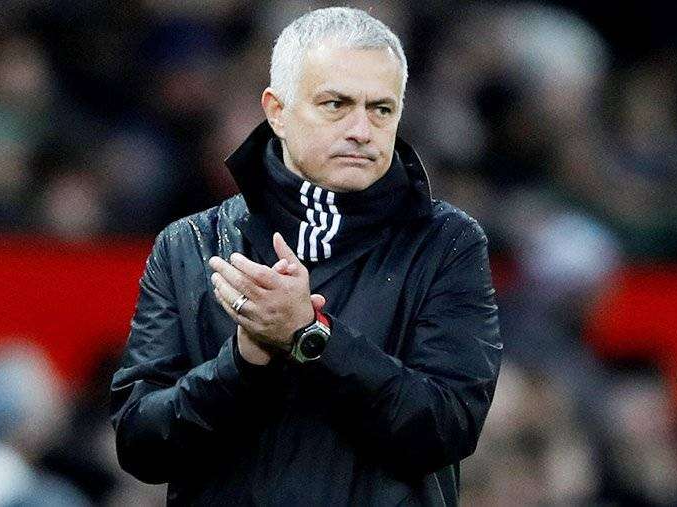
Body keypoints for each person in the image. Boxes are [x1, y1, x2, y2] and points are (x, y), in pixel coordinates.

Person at [110, 7, 502, 506]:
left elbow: (448, 428)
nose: (362, 129)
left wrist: (309, 337)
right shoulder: (189, 244)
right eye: (336, 104)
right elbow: (140, 445)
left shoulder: (446, 243)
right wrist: (242, 365)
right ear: (277, 111)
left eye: (382, 109)